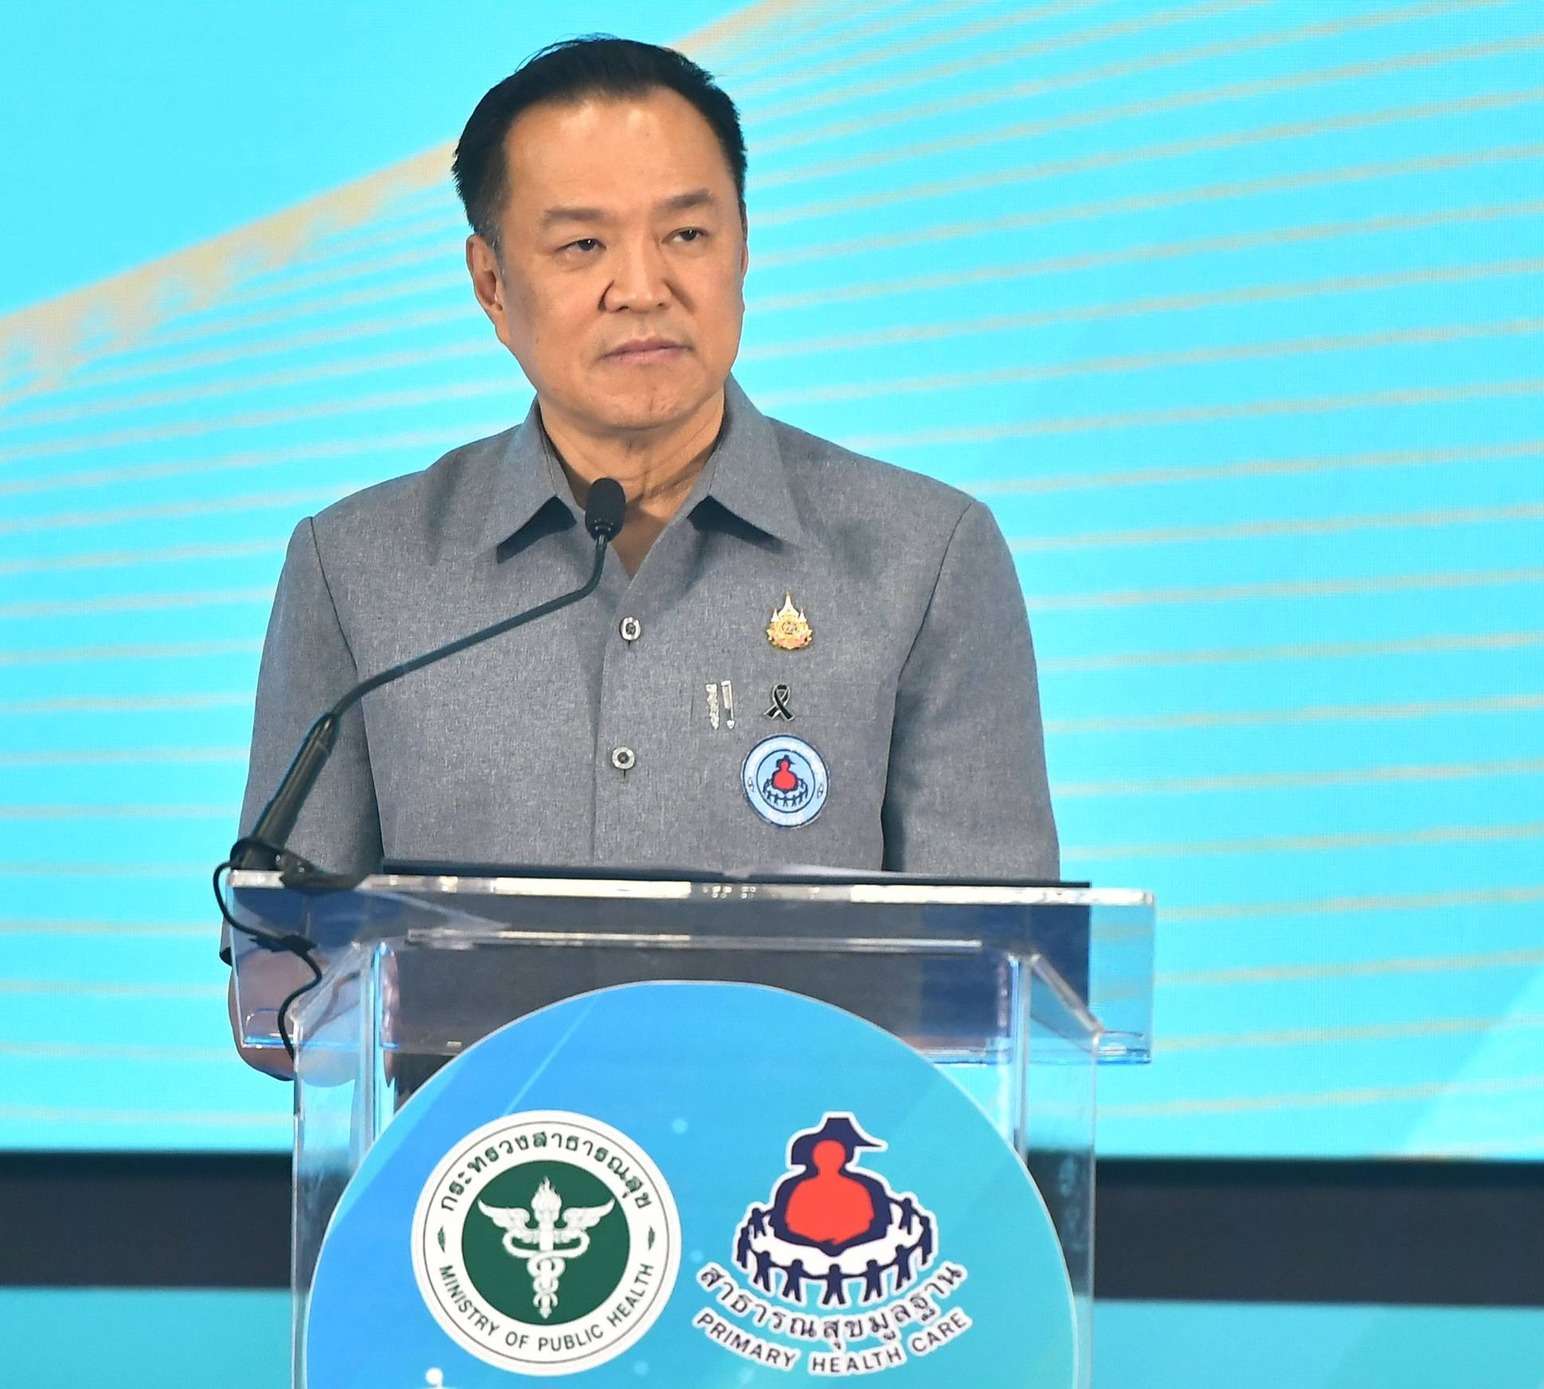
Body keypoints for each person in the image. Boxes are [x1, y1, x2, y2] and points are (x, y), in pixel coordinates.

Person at [224, 37, 1058, 1074]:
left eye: (687, 234)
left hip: (795, 1158)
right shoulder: (358, 568)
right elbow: (281, 986)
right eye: (583, 246)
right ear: (491, 283)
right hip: (482, 1172)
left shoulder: (923, 555)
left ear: (743, 250)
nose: (643, 286)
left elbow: (998, 982)